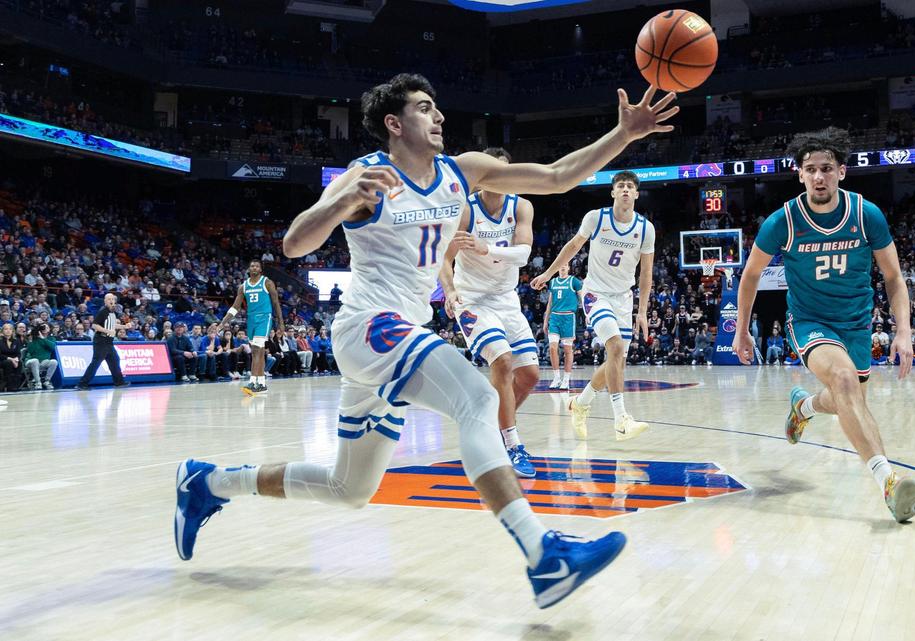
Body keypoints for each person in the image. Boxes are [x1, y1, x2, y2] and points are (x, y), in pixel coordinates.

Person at [173, 73, 677, 607]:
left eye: (437, 109)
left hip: (398, 335)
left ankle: (209, 483)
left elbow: (555, 177)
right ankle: (544, 557)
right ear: (395, 124)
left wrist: (623, 135)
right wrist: (341, 204)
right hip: (367, 325)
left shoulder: (462, 172)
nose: (439, 118)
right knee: (480, 397)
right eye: (424, 108)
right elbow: (295, 242)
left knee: (350, 489)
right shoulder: (367, 176)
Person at [731, 127, 915, 523]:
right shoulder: (782, 222)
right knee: (844, 381)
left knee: (845, 400)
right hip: (809, 321)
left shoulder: (866, 214)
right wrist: (742, 329)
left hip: (855, 324)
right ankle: (888, 482)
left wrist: (903, 329)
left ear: (842, 172)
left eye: (827, 169)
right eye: (811, 169)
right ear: (799, 174)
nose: (819, 177)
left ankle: (804, 405)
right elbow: (749, 276)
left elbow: (894, 277)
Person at [531, 171, 657, 442]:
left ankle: (581, 402)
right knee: (614, 347)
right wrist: (548, 273)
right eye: (620, 186)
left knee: (617, 361)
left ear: (636, 194)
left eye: (630, 187)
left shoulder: (646, 228)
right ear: (612, 192)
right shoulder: (596, 218)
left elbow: (646, 274)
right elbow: (572, 246)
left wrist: (643, 310)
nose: (625, 190)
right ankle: (621, 420)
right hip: (595, 293)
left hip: (624, 298)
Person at [440, 148, 541, 478]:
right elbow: (444, 258)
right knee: (501, 360)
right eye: (491, 171)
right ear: (481, 175)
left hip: (506, 299)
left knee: (529, 377)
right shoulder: (466, 209)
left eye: (503, 170)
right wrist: (451, 291)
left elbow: (524, 255)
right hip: (472, 299)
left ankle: (490, 428)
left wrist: (487, 248)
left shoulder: (521, 206)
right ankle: (512, 444)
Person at [217, 260, 284, 395]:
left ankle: (253, 382)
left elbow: (276, 302)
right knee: (256, 352)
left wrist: (281, 323)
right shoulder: (243, 286)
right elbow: (235, 307)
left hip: (264, 317)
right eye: (252, 265)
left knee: (256, 349)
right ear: (249, 268)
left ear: (260, 269)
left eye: (257, 266)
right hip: (251, 319)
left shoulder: (267, 282)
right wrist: (223, 322)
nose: (254, 267)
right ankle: (261, 384)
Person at [76, 293, 132, 390]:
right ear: (105, 301)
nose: (111, 300)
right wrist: (107, 331)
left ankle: (119, 382)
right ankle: (82, 384)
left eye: (113, 299)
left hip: (108, 342)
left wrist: (124, 326)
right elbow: (94, 325)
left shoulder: (112, 313)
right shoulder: (103, 312)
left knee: (115, 361)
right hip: (101, 341)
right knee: (96, 363)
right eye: (109, 299)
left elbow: (112, 325)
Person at [544, 264, 583, 390]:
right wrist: (546, 320)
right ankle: (556, 378)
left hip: (568, 317)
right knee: (552, 348)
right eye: (561, 265)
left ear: (569, 268)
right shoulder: (553, 282)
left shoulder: (574, 281)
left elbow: (582, 298)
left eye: (565, 265)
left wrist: (588, 314)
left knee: (567, 350)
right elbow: (550, 303)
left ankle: (566, 379)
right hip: (554, 317)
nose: (562, 267)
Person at [23, 323, 58, 390]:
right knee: (35, 360)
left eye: (47, 327)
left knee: (54, 361)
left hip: (43, 362)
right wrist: (30, 340)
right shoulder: (34, 338)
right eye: (43, 327)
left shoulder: (51, 338)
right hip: (31, 361)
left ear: (49, 329)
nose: (45, 328)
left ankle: (47, 381)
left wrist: (43, 338)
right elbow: (31, 351)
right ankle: (37, 382)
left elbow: (52, 347)